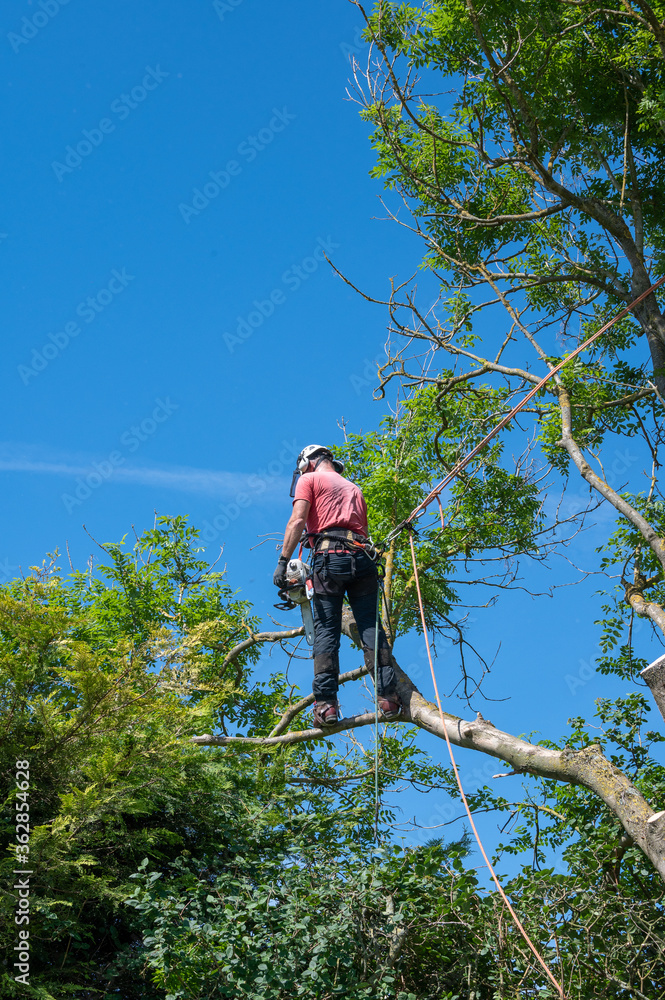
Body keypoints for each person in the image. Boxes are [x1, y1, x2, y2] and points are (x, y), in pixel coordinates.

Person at [273, 443, 401, 727]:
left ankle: (326, 707)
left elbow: (297, 521)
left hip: (330, 560)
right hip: (362, 559)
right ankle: (389, 699)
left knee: (327, 630)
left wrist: (283, 561)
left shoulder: (309, 479)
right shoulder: (353, 487)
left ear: (307, 462)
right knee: (371, 626)